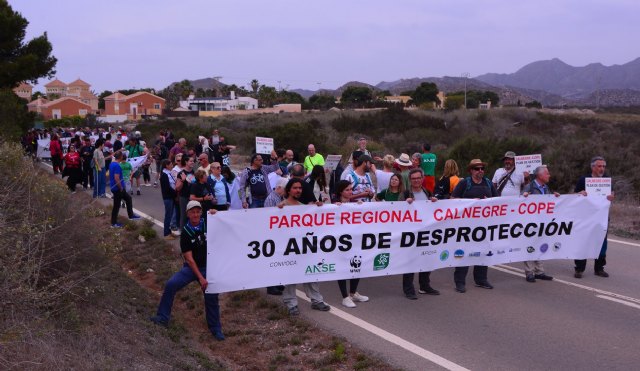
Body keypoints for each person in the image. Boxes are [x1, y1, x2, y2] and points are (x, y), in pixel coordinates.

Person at [150, 201, 224, 341]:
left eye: (198, 211)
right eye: (192, 212)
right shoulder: (186, 233)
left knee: (212, 296)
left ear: (201, 212)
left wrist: (217, 214)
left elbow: (225, 223)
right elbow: (189, 259)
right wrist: (201, 278)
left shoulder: (209, 223)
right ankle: (162, 317)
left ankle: (215, 328)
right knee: (171, 284)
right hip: (192, 268)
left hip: (209, 267)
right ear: (188, 214)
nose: (195, 214)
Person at [278, 179, 331, 315]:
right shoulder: (281, 207)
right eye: (295, 188)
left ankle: (316, 300)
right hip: (289, 248)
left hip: (305, 246)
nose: (298, 190)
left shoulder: (303, 207)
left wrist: (317, 208)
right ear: (288, 190)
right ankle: (291, 304)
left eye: (300, 188)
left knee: (311, 272)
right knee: (291, 276)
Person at [451, 159, 498, 293]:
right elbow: (452, 200)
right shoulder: (464, 183)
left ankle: (481, 279)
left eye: (482, 168)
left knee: (483, 252)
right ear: (471, 170)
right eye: (477, 169)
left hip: (484, 226)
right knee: (464, 253)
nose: (480, 171)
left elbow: (497, 201)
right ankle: (459, 282)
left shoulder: (488, 183)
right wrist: (470, 202)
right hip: (466, 226)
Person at [574, 156, 615, 278]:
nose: (602, 168)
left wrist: (612, 197)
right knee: (583, 242)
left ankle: (599, 268)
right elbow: (575, 195)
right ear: (592, 167)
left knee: (601, 243)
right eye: (599, 166)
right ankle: (579, 269)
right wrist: (580, 194)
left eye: (603, 166)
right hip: (586, 217)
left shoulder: (607, 180)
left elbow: (611, 195)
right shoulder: (584, 180)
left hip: (602, 217)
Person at [402, 169, 440, 299]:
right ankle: (408, 289)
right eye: (413, 179)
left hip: (426, 232)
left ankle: (424, 286)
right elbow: (396, 211)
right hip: (411, 233)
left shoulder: (427, 192)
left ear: (422, 178)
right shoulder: (406, 193)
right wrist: (404, 204)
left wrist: (434, 202)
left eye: (418, 178)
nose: (416, 180)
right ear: (410, 180)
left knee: (426, 258)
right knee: (411, 261)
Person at [334, 180, 370, 308]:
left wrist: (360, 207)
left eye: (351, 189)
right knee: (343, 268)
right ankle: (345, 297)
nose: (350, 192)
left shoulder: (354, 205)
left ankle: (353, 293)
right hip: (341, 242)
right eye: (347, 190)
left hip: (355, 241)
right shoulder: (334, 206)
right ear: (340, 192)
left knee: (357, 264)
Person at [521, 165, 559, 282]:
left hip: (543, 223)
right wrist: (524, 197)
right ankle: (529, 272)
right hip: (531, 223)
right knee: (530, 246)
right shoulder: (529, 187)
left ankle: (539, 271)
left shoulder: (546, 188)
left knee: (540, 246)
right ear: (540, 175)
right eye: (547, 173)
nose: (549, 175)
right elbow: (519, 202)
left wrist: (555, 197)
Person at [109, 152, 140, 228]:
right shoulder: (117, 166)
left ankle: (131, 215)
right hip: (117, 188)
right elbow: (117, 178)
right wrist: (121, 188)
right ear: (120, 157)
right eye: (122, 156)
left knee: (128, 198)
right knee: (116, 205)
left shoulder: (112, 164)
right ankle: (114, 223)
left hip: (114, 187)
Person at [175, 156, 196, 228]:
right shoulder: (181, 173)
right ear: (186, 162)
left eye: (193, 161)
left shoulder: (193, 172)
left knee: (193, 215)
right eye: (191, 161)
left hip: (193, 197)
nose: (192, 162)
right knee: (184, 215)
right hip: (184, 197)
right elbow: (177, 188)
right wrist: (183, 181)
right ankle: (183, 232)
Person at [160, 159, 178, 240]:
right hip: (168, 197)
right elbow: (167, 188)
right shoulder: (164, 175)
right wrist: (175, 193)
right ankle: (166, 233)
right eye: (170, 164)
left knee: (170, 215)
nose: (172, 165)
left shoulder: (168, 173)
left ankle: (169, 231)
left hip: (171, 196)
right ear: (166, 166)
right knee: (168, 215)